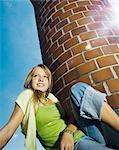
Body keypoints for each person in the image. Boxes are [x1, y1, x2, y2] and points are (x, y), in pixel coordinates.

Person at [0, 64, 119, 150]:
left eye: (45, 76)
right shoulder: (27, 96)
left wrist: (68, 133)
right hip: (74, 146)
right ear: (30, 80)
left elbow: (72, 119)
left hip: (85, 135)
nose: (41, 79)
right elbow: (9, 129)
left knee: (77, 89)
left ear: (49, 81)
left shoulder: (52, 98)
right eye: (36, 75)